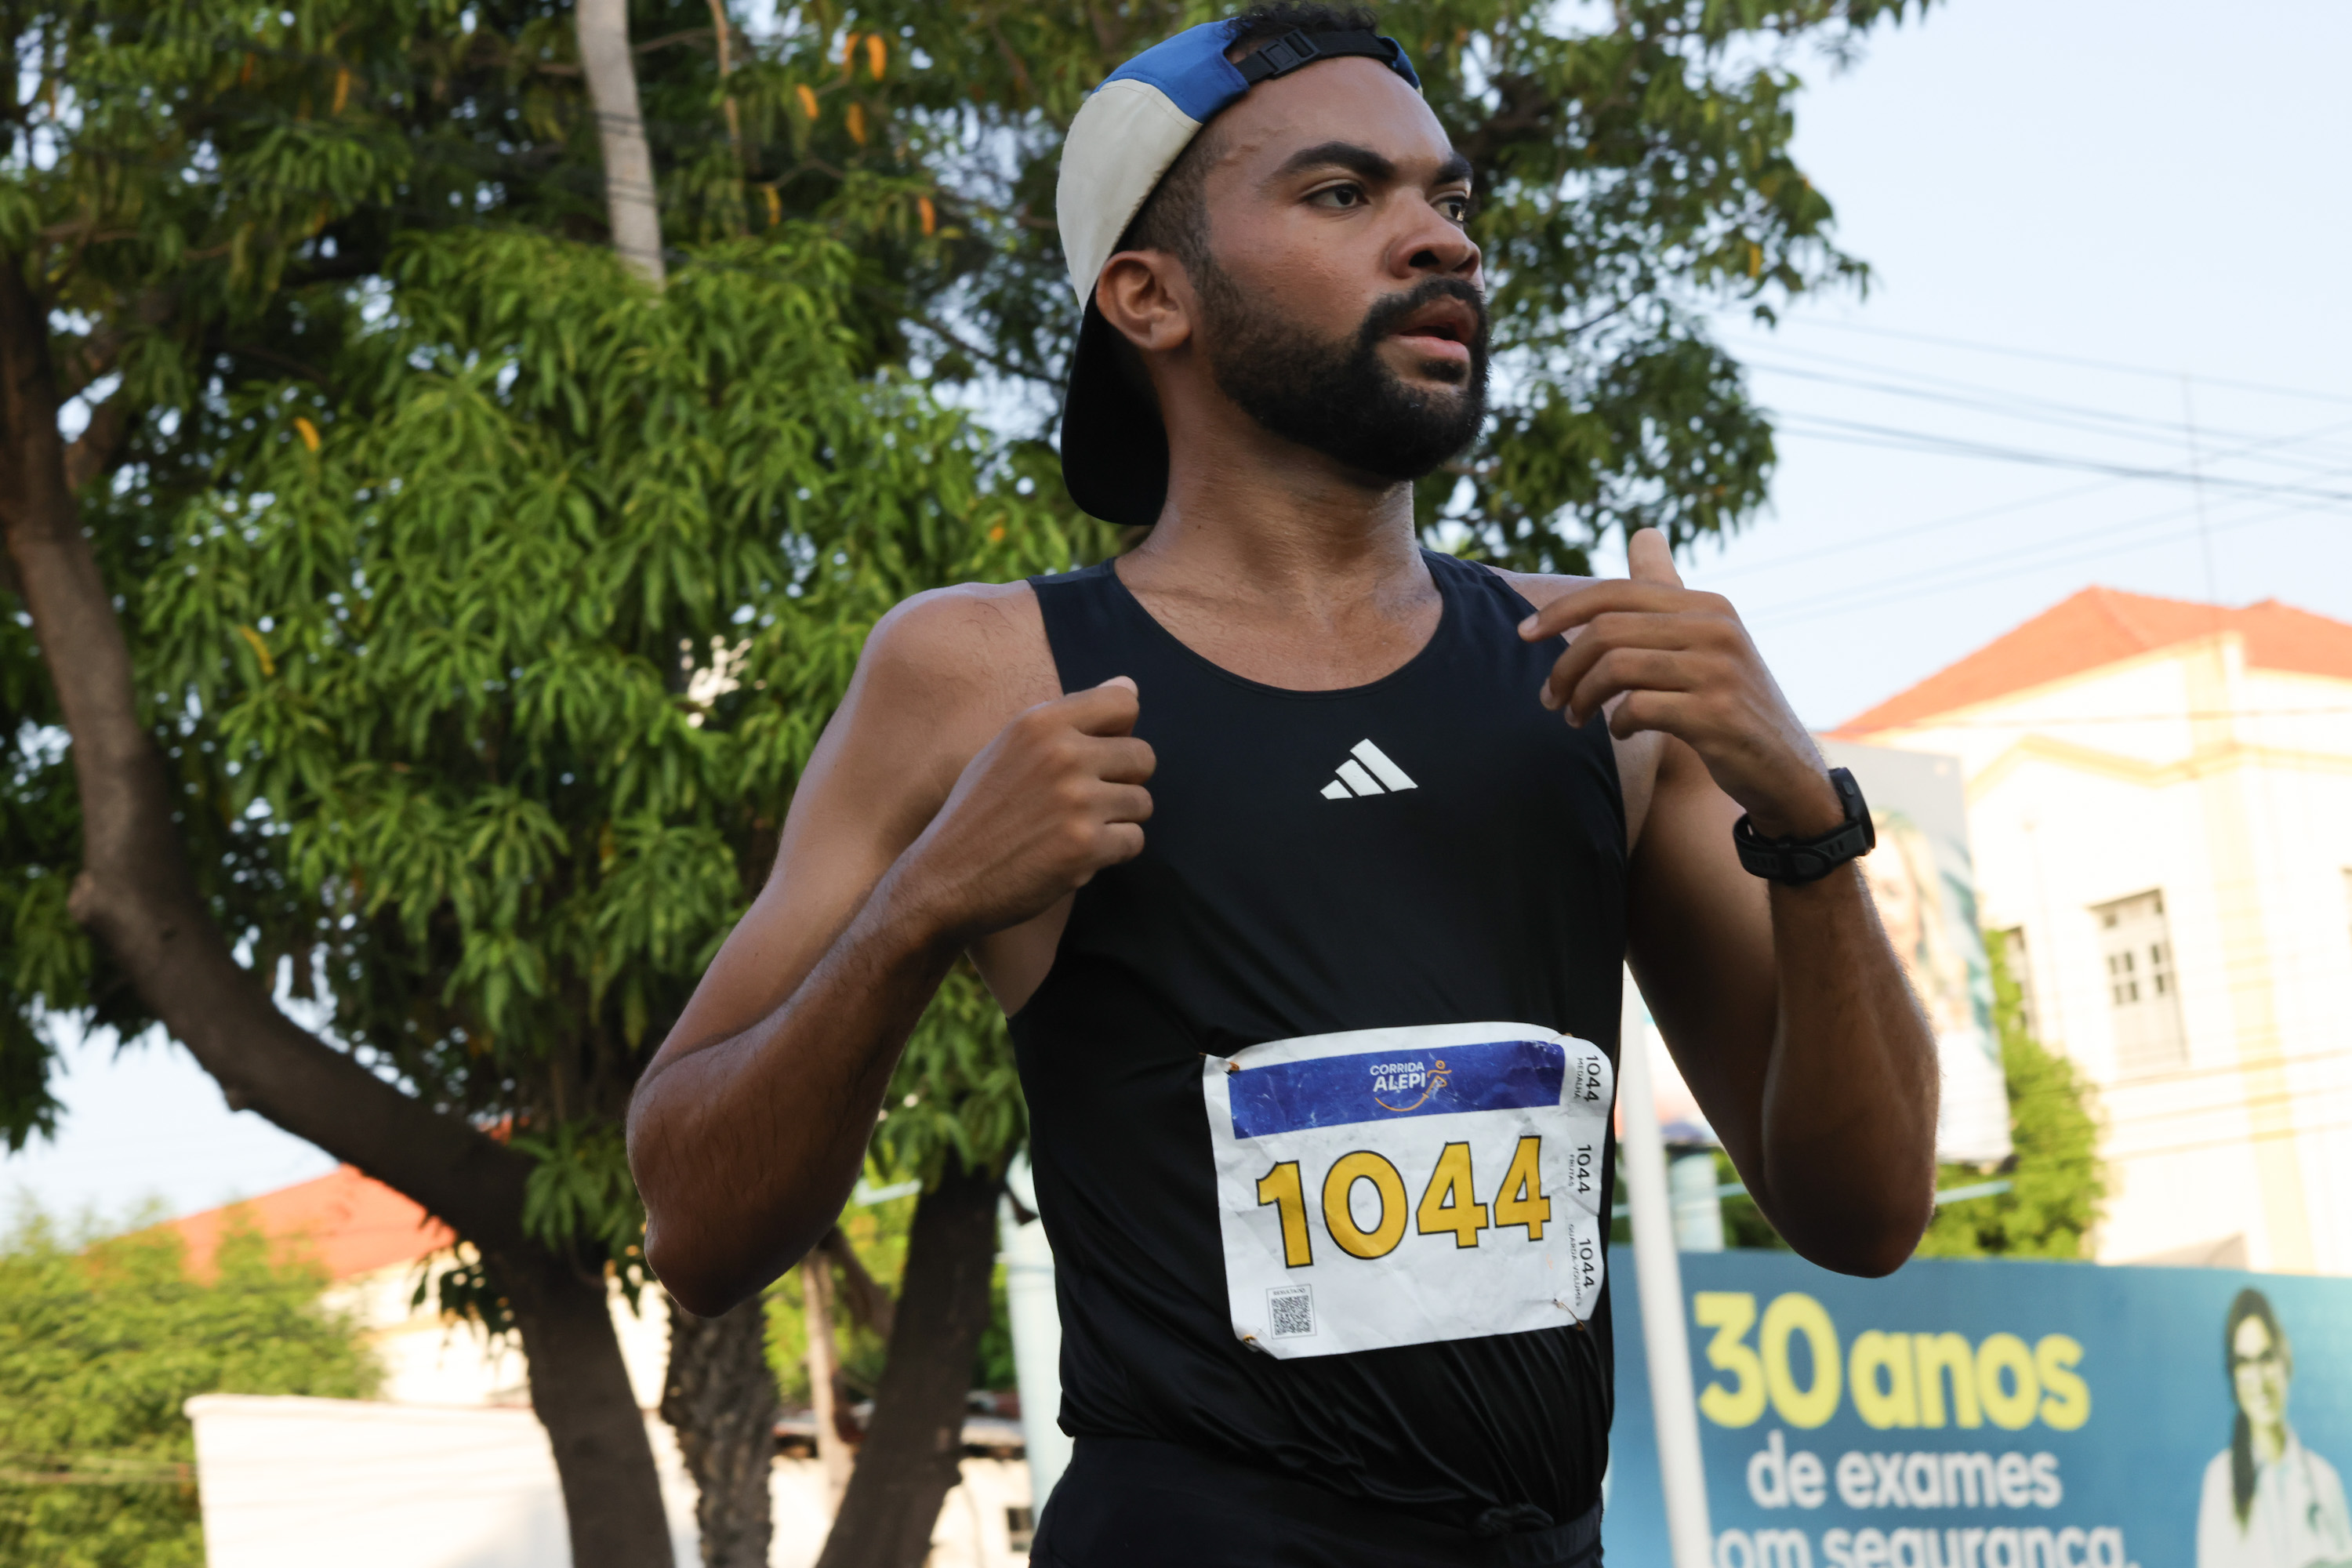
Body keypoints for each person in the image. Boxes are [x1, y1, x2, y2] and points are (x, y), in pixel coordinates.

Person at [626, 7, 1939, 1563]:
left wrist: (1805, 816)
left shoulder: (1600, 672)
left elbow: (1866, 1220)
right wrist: (919, 911)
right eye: (1343, 194)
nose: (1437, 241)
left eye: (1448, 199)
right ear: (1149, 293)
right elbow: (696, 1232)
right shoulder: (987, 676)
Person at [2198, 1290, 2352, 1568]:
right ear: (2233, 1376)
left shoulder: (2324, 1480)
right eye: (2244, 1363)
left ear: (2285, 1362)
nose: (2258, 1378)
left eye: (2266, 1358)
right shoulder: (2221, 1481)